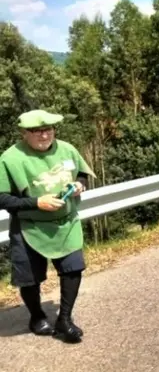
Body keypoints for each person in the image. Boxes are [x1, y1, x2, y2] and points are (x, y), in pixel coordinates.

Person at [0, 110, 96, 344]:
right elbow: (2, 198)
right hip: (29, 226)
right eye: (36, 131)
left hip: (66, 223)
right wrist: (36, 203)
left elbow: (83, 174)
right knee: (29, 279)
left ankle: (64, 319)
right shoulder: (10, 158)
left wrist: (79, 185)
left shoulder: (67, 149)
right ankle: (36, 316)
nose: (44, 135)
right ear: (24, 133)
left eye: (48, 129)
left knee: (73, 268)